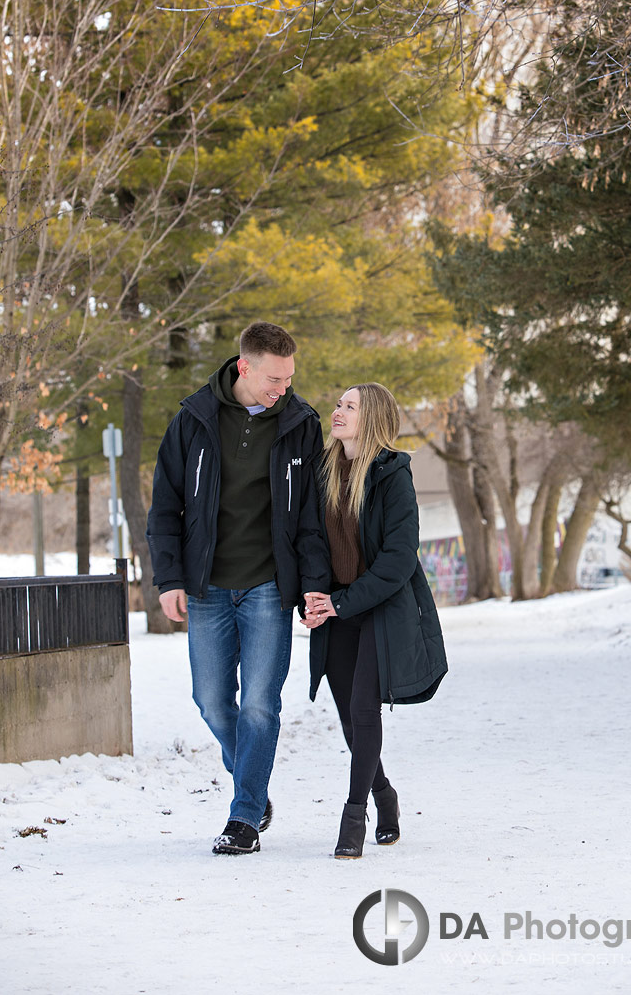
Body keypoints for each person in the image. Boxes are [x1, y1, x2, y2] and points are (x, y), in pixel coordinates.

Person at [146, 321, 329, 856]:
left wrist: (313, 589)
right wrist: (169, 578)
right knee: (211, 700)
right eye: (275, 379)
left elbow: (311, 519)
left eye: (290, 378)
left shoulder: (301, 425)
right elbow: (164, 508)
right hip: (206, 587)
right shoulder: (193, 421)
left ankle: (244, 815)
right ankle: (254, 782)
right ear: (243, 367)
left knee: (259, 706)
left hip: (269, 587)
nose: (284, 389)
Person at [302, 382, 447, 858]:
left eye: (349, 406)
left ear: (374, 418)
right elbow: (311, 540)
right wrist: (319, 597)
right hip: (337, 608)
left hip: (379, 610)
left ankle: (353, 816)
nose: (337, 411)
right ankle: (385, 794)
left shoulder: (393, 475)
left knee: (364, 708)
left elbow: (399, 558)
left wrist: (344, 603)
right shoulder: (322, 470)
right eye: (338, 403)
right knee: (349, 718)